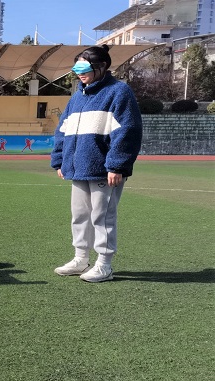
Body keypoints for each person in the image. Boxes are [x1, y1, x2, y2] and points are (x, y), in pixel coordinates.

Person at [51, 45, 142, 283]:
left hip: (104, 169)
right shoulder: (77, 97)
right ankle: (81, 258)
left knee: (102, 216)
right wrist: (60, 160)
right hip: (79, 168)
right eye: (76, 68)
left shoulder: (118, 91)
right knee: (79, 215)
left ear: (102, 67)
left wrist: (117, 165)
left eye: (84, 67)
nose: (79, 73)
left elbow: (128, 130)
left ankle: (104, 265)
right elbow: (62, 131)